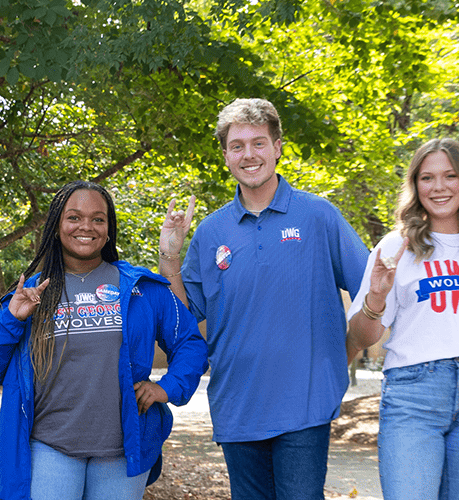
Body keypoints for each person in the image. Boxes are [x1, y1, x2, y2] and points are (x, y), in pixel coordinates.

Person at [157, 98, 371, 500]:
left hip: (305, 405)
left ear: (277, 147)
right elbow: (183, 320)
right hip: (237, 406)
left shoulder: (319, 215)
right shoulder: (211, 231)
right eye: (237, 146)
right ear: (225, 156)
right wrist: (170, 257)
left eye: (258, 142)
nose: (248, 154)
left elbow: (371, 290)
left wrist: (347, 349)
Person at [0, 181, 209, 500]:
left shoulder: (140, 287)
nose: (87, 226)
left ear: (109, 230)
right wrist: (11, 319)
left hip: (122, 451)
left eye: (98, 219)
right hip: (48, 447)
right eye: (74, 217)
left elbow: (190, 343)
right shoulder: (31, 293)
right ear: (57, 226)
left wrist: (167, 387)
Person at [344, 138, 459, 499]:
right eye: (427, 178)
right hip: (414, 396)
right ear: (415, 186)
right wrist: (376, 298)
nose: (439, 187)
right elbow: (363, 337)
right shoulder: (395, 247)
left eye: (449, 176)